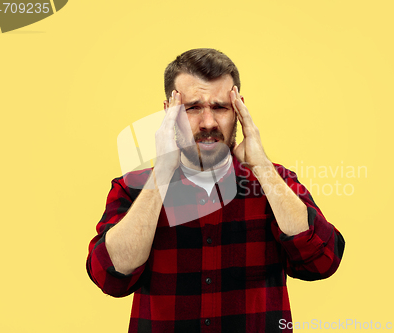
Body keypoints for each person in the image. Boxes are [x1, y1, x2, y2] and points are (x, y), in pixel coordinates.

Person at [86, 48, 345, 333]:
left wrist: (261, 166)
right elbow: (111, 277)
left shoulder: (275, 183)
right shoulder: (133, 188)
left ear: (239, 110)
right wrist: (161, 172)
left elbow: (323, 262)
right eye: (193, 108)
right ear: (168, 113)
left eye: (220, 107)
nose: (208, 123)